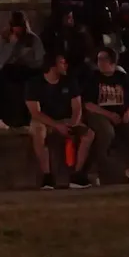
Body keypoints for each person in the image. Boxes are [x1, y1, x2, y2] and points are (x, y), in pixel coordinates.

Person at [27, 53, 95, 190]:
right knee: (38, 131)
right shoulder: (34, 84)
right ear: (52, 66)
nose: (65, 66)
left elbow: (77, 107)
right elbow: (36, 113)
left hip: (65, 120)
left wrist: (73, 123)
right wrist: (56, 125)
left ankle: (76, 174)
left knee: (88, 134)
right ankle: (47, 176)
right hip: (44, 120)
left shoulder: (69, 81)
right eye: (62, 63)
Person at [84, 48, 129, 184]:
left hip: (122, 114)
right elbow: (87, 104)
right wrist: (108, 114)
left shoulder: (123, 79)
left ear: (113, 62)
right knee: (105, 132)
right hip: (100, 113)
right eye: (98, 60)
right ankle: (94, 170)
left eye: (104, 59)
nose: (100, 63)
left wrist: (128, 113)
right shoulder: (93, 78)